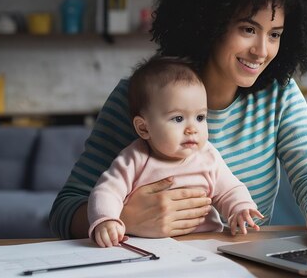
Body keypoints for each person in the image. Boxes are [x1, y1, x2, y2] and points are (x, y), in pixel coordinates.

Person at [50, 0, 307, 240]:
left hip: (243, 265)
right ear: (210, 21)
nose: (262, 50)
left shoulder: (279, 95)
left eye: (275, 34)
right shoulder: (142, 97)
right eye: (247, 29)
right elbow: (64, 210)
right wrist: (123, 218)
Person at [89, 57, 263, 247]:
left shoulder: (207, 156)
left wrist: (240, 208)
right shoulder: (134, 159)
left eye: (200, 117)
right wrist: (107, 220)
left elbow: (230, 190)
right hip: (148, 246)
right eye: (178, 118)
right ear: (144, 128)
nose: (192, 129)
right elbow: (107, 192)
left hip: (206, 244)